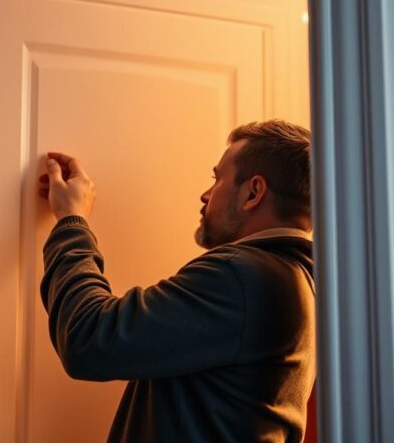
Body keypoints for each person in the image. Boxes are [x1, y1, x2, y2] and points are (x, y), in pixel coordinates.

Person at [37, 119, 316, 443]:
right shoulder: (303, 286)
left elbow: (87, 337)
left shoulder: (241, 277)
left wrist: (72, 220)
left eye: (217, 178)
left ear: (253, 192)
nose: (205, 194)